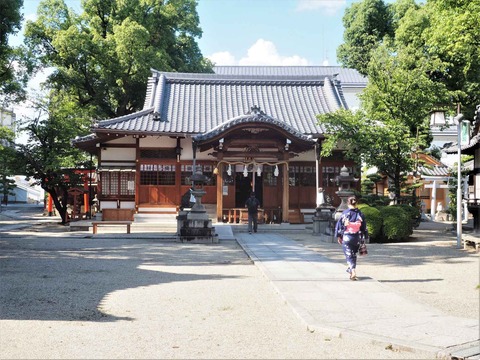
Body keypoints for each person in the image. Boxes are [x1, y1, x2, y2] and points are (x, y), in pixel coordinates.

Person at [334, 196, 368, 280]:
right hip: (357, 237)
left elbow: (339, 225)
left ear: (348, 203)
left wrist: (339, 236)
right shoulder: (360, 214)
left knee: (349, 254)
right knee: (353, 254)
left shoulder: (345, 213)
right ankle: (351, 269)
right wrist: (365, 236)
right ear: (356, 203)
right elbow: (363, 227)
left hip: (347, 237)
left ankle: (352, 270)